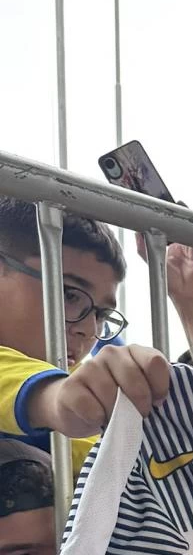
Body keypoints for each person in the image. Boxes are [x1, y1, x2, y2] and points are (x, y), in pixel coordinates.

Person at [0, 197, 171, 476]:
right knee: (24, 474)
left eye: (101, 315)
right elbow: (44, 391)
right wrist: (60, 399)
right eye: (69, 294)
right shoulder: (67, 382)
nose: (89, 330)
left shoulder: (87, 367)